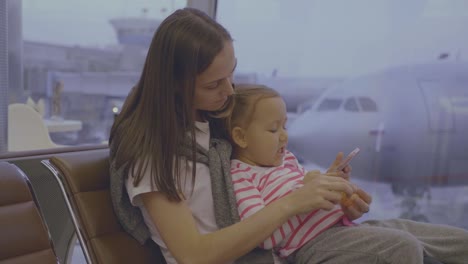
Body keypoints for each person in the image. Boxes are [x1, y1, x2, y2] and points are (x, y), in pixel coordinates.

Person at [108, 8, 358, 264]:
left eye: (231, 73)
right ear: (174, 83)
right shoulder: (153, 156)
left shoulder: (217, 122)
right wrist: (292, 203)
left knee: (398, 235)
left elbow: (263, 180)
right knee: (396, 248)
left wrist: (319, 190)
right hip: (262, 256)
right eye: (213, 84)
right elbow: (193, 255)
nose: (229, 90)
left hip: (283, 249)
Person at [223, 84, 468, 264]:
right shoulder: (242, 177)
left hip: (346, 228)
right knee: (402, 247)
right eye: (273, 129)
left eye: (285, 126)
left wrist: (335, 191)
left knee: (455, 240)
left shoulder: (285, 159)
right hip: (314, 245)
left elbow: (311, 197)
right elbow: (263, 238)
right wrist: (303, 197)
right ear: (241, 137)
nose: (285, 136)